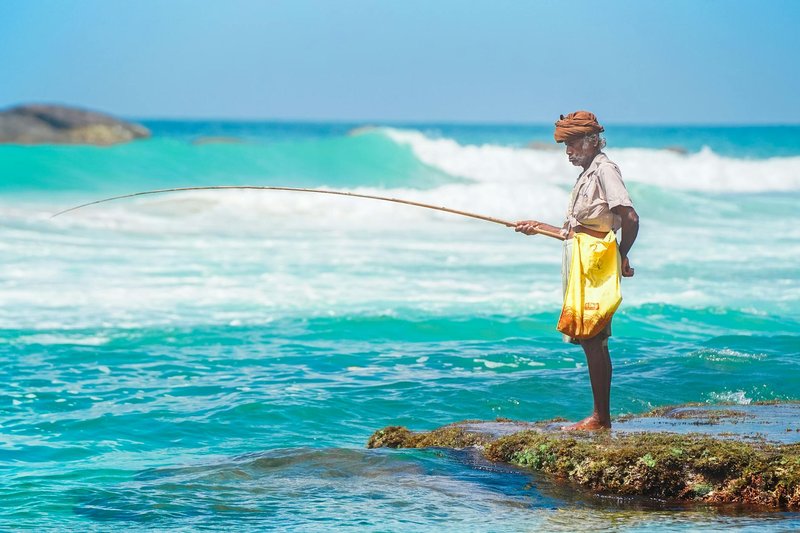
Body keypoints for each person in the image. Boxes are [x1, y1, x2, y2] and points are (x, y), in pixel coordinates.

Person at [515, 111, 639, 430]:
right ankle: (600, 416)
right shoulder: (587, 173)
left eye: (572, 145)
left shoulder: (604, 170)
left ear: (592, 141)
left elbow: (630, 218)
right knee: (589, 339)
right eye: (566, 146)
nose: (568, 152)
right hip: (585, 258)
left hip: (597, 261)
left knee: (594, 338)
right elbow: (579, 229)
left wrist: (622, 256)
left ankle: (601, 418)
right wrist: (538, 227)